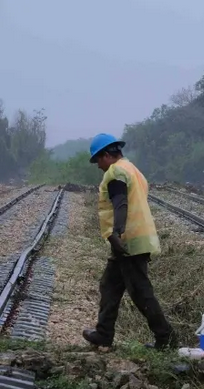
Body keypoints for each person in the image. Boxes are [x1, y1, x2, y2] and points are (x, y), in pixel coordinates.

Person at [81, 133, 176, 349]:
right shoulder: (133, 169)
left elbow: (120, 203)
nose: (98, 166)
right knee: (109, 285)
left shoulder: (116, 172)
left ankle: (166, 338)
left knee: (141, 293)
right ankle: (104, 333)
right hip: (132, 239)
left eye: (98, 160)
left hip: (128, 241)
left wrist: (116, 233)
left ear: (106, 155)